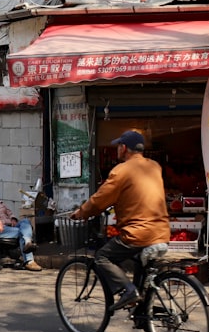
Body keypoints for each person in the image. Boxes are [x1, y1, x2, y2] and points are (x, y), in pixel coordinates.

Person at [71, 130, 171, 311]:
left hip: (137, 233)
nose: (117, 149)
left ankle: (128, 290)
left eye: (118, 146)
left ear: (124, 148)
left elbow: (100, 199)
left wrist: (82, 213)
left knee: (102, 257)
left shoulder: (121, 171)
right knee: (140, 263)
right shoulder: (154, 166)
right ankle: (142, 312)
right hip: (162, 231)